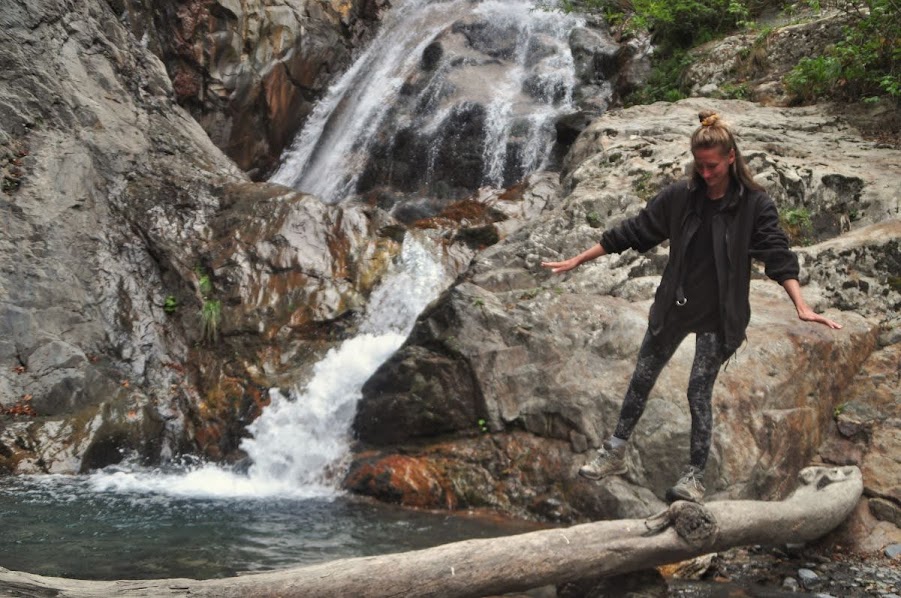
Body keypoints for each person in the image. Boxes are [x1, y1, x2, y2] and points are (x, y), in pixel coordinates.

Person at [541, 110, 842, 503]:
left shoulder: (754, 205)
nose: (705, 173)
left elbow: (777, 255)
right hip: (675, 305)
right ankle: (613, 452)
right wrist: (578, 259)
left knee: (698, 392)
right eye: (699, 166)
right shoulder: (680, 198)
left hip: (719, 315)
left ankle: (695, 478)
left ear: (731, 158)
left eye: (712, 166)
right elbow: (633, 231)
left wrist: (801, 305)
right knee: (641, 378)